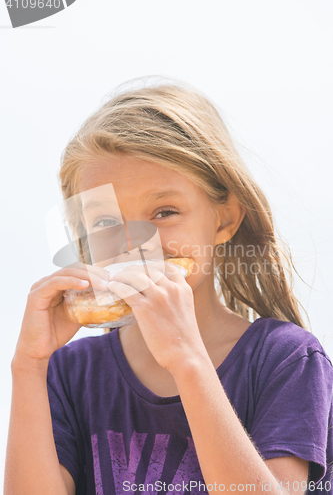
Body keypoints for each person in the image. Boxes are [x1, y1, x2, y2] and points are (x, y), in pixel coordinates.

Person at [4, 78, 333, 495]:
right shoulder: (70, 373)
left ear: (224, 219)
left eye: (164, 211)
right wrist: (29, 365)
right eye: (106, 222)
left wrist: (187, 360)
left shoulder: (286, 360)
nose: (135, 243)